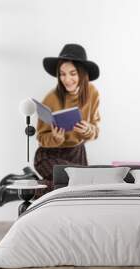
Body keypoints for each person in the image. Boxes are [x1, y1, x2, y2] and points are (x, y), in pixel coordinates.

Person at [34, 43, 101, 196]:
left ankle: (31, 183)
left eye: (73, 73)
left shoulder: (92, 93)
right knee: (71, 186)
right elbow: (41, 137)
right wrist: (55, 138)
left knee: (79, 190)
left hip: (77, 153)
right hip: (50, 154)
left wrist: (87, 130)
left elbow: (95, 130)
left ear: (82, 74)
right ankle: (26, 189)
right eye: (62, 74)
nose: (67, 79)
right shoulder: (50, 98)